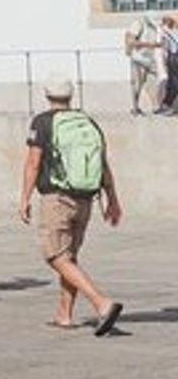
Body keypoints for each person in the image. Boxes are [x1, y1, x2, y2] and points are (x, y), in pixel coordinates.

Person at [19, 76, 124, 335]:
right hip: (86, 198)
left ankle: (102, 303)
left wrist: (24, 198)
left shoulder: (43, 122)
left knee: (55, 255)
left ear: (46, 94)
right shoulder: (88, 122)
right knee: (70, 257)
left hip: (58, 198)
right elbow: (103, 163)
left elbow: (33, 163)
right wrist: (113, 198)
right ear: (71, 96)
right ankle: (64, 314)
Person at [124, 19, 161, 115]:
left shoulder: (155, 25)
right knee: (138, 84)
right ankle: (135, 107)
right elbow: (130, 41)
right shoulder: (138, 24)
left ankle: (156, 107)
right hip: (138, 59)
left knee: (153, 82)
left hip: (150, 59)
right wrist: (150, 45)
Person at [158, 14, 178, 115]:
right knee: (172, 83)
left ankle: (170, 107)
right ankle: (166, 105)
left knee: (174, 83)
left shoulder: (167, 31)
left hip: (174, 57)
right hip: (173, 57)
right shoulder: (169, 31)